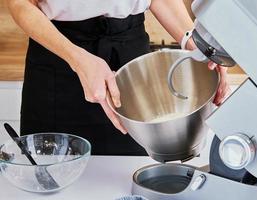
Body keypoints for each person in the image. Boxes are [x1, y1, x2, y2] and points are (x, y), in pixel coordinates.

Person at [7, 0, 230, 155]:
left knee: (125, 177)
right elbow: (19, 4)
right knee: (51, 172)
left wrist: (198, 45)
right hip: (59, 57)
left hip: (129, 57)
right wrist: (77, 58)